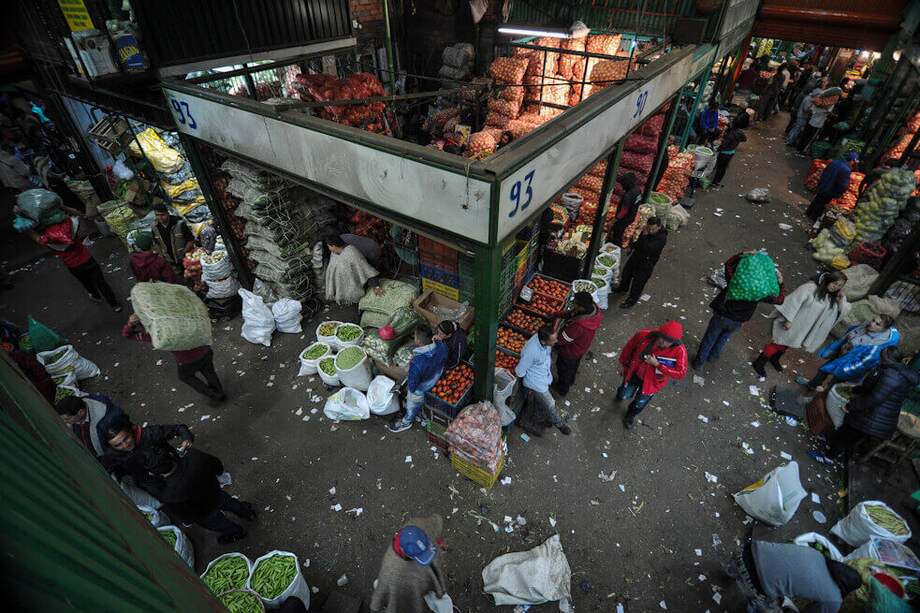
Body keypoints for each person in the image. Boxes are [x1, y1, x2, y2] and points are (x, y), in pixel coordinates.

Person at [137, 445, 256, 544]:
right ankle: (248, 513)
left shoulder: (169, 494)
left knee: (218, 523)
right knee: (229, 502)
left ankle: (237, 532)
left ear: (152, 473)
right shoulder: (194, 456)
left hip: (203, 513)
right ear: (171, 454)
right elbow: (217, 466)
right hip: (215, 491)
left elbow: (186, 517)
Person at [694, 252, 785, 370]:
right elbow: (780, 299)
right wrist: (781, 283)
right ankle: (713, 357)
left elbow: (728, 265)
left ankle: (699, 363)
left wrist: (740, 255)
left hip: (723, 315)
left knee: (710, 338)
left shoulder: (736, 280)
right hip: (739, 321)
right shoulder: (761, 293)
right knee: (723, 338)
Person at [826, 347, 920, 458]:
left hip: (873, 416)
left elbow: (875, 398)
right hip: (878, 415)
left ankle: (828, 458)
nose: (879, 359)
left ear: (885, 358)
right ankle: (839, 451)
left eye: (881, 357)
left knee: (847, 435)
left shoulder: (891, 374)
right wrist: (853, 389)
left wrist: (851, 406)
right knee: (849, 435)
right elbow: (871, 387)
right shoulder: (893, 370)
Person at [724, 539, 862, 613]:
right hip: (756, 580)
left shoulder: (819, 556)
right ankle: (754, 606)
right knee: (768, 606)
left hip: (747, 550)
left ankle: (733, 569)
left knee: (774, 580)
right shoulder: (834, 600)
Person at [752, 272, 848, 376]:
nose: (836, 287)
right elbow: (794, 301)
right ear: (829, 280)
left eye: (839, 286)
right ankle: (759, 362)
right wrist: (789, 319)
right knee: (778, 342)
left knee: (789, 342)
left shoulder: (831, 298)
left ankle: (775, 358)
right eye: (835, 283)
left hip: (803, 327)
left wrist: (840, 302)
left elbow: (837, 314)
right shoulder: (810, 288)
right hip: (792, 322)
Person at [29, 208, 122, 311]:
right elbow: (79, 214)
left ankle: (96, 296)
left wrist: (26, 226)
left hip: (73, 266)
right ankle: (114, 305)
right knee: (101, 282)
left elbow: (36, 237)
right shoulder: (69, 225)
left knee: (86, 282)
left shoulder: (48, 238)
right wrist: (63, 206)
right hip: (87, 259)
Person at [122, 314, 226, 402]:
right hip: (204, 349)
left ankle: (212, 394)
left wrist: (130, 324)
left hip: (188, 360)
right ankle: (219, 391)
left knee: (185, 376)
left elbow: (127, 335)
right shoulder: (180, 316)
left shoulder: (154, 334)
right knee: (208, 371)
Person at [616, 321, 688, 429]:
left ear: (674, 342)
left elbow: (681, 373)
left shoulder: (680, 351)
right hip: (634, 374)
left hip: (652, 383)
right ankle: (620, 395)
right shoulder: (643, 335)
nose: (663, 343)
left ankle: (630, 416)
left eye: (668, 341)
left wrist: (658, 365)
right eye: (662, 338)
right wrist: (622, 363)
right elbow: (629, 347)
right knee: (624, 393)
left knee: (639, 403)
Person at [798, 315, 899, 390]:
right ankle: (812, 385)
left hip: (849, 365)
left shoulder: (875, 347)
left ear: (883, 330)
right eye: (873, 320)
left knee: (835, 383)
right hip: (843, 354)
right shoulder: (863, 327)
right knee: (823, 370)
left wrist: (845, 370)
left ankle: (820, 396)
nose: (872, 324)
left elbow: (864, 363)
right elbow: (849, 335)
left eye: (877, 324)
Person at [370, 515, 448, 613]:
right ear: (404, 552)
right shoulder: (391, 569)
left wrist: (439, 542)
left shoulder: (419, 524)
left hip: (424, 580)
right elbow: (380, 594)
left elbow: (437, 522)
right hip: (411, 588)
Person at [101, 414, 194, 488]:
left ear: (131, 432)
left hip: (175, 469)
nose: (125, 445)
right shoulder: (112, 455)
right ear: (112, 447)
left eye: (126, 439)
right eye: (118, 445)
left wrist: (187, 439)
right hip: (151, 486)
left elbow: (178, 428)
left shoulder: (150, 434)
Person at [388, 327, 447, 433]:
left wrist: (409, 369)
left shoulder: (417, 363)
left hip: (421, 388)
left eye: (415, 336)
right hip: (437, 381)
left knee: (412, 405)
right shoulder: (442, 346)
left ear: (418, 341)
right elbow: (444, 358)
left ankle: (406, 422)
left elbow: (412, 386)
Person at [515, 325, 571, 435]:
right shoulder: (531, 351)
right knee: (550, 403)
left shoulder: (543, 342)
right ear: (544, 341)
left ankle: (533, 417)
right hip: (536, 383)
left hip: (544, 376)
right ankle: (560, 424)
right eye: (553, 340)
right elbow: (520, 371)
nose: (556, 341)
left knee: (539, 403)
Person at [553, 291, 602, 396]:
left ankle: (562, 389)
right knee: (573, 365)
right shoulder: (593, 309)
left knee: (564, 368)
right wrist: (556, 314)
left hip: (571, 351)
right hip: (582, 346)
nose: (573, 304)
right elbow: (571, 313)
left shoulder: (579, 325)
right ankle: (571, 380)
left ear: (581, 307)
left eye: (575, 303)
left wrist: (552, 340)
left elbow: (563, 339)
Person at [614, 217, 668, 309]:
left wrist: (644, 236)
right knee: (626, 273)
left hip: (646, 263)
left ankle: (631, 300)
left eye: (653, 229)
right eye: (649, 228)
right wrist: (632, 247)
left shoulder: (661, 238)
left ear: (659, 227)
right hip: (636, 257)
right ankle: (623, 288)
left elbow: (648, 248)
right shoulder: (646, 231)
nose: (651, 230)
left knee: (638, 283)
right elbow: (639, 242)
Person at [55, 394, 126, 458]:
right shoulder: (78, 410)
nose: (65, 422)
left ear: (81, 412)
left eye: (68, 419)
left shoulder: (105, 419)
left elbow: (117, 445)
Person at [324, 234, 381, 304]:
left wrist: (376, 286)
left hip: (356, 284)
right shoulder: (333, 254)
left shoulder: (352, 253)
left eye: (328, 246)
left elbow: (366, 269)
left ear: (333, 246)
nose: (328, 248)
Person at [806, 153, 858, 222]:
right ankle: (813, 217)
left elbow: (824, 172)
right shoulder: (846, 170)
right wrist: (838, 194)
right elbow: (843, 185)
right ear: (852, 161)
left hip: (823, 184)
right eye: (854, 162)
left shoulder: (834, 162)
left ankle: (808, 212)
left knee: (817, 198)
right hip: (831, 189)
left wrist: (820, 183)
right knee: (822, 203)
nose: (854, 164)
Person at [152, 203, 195, 272]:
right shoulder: (154, 227)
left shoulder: (179, 224)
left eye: (162, 215)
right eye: (157, 215)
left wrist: (184, 252)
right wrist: (162, 255)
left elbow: (191, 240)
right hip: (170, 260)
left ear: (168, 213)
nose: (160, 218)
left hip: (184, 258)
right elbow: (156, 242)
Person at [609, 172, 642, 247]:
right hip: (632, 215)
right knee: (620, 230)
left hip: (625, 218)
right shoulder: (638, 189)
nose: (621, 186)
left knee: (617, 231)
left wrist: (614, 220)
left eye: (622, 184)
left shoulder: (628, 196)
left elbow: (624, 211)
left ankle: (615, 246)